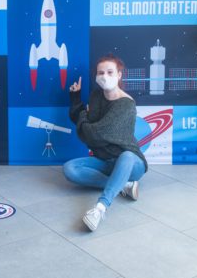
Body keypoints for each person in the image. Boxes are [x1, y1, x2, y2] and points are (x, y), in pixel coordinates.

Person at [63, 55, 147, 232]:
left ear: (119, 75)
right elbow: (82, 125)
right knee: (70, 169)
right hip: (105, 161)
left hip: (131, 163)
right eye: (101, 72)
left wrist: (84, 116)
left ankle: (100, 208)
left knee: (126, 155)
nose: (105, 76)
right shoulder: (95, 96)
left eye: (110, 72)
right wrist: (76, 99)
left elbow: (95, 134)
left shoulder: (126, 104)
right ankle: (123, 184)